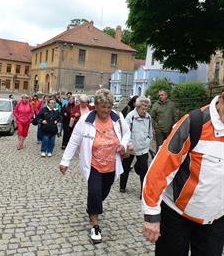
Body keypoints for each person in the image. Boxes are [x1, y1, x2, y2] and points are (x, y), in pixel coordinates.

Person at [142, 93, 224, 256]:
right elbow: (160, 169)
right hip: (177, 215)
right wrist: (151, 215)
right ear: (223, 98)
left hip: (215, 219)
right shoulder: (194, 122)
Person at [59, 89, 130, 243]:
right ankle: (95, 225)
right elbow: (74, 140)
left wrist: (123, 145)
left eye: (109, 107)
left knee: (102, 193)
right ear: (96, 106)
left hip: (111, 165)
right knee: (95, 191)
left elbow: (127, 133)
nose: (106, 111)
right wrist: (65, 161)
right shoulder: (85, 120)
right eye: (103, 107)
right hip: (93, 165)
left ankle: (93, 206)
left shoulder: (118, 118)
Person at [120, 96, 152, 197]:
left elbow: (150, 133)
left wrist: (147, 141)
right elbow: (125, 131)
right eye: (143, 108)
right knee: (125, 167)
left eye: (146, 108)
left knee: (144, 170)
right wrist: (128, 144)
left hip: (143, 148)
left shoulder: (148, 117)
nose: (144, 110)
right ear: (137, 107)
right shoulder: (130, 116)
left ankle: (143, 192)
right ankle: (122, 186)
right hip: (131, 147)